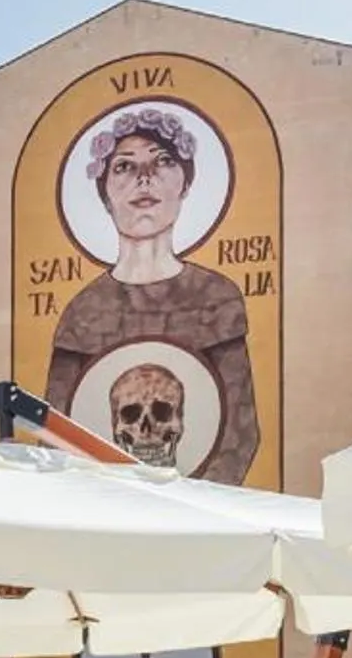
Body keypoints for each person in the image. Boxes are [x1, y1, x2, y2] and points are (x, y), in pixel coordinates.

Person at [45, 107, 258, 486]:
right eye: (125, 167)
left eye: (163, 162)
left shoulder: (216, 297)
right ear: (105, 194)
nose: (145, 179)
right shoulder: (82, 312)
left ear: (186, 184)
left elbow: (240, 435)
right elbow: (56, 439)